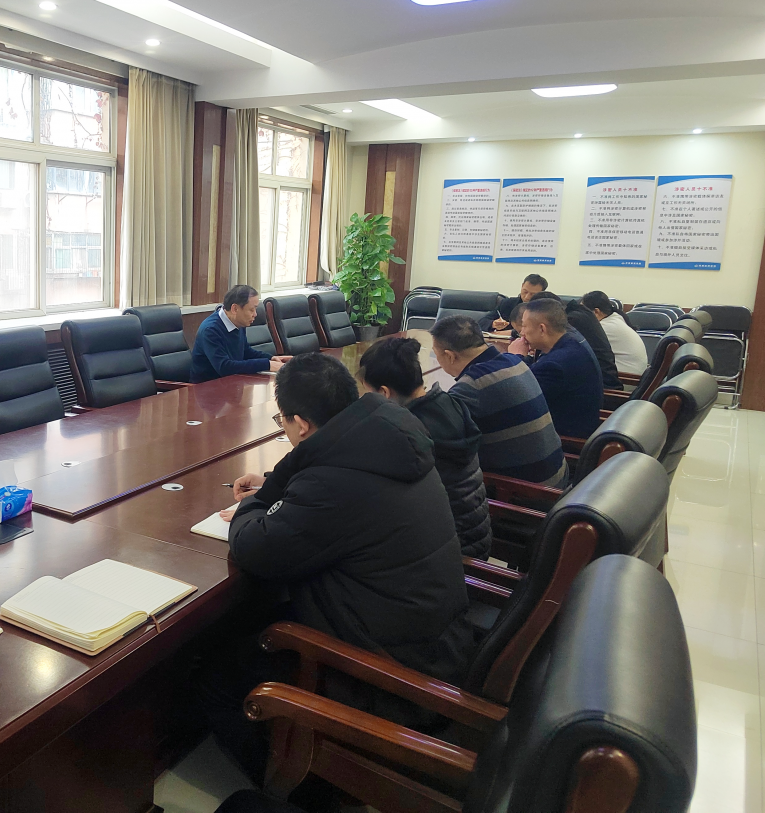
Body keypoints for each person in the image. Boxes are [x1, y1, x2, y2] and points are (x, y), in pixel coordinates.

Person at [205, 354, 472, 781]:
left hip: (389, 675)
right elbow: (335, 486)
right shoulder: (390, 434)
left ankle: (302, 789)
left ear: (301, 424)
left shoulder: (333, 483)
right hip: (437, 642)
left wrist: (253, 505)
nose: (284, 429)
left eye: (282, 421)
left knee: (214, 672)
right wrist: (280, 481)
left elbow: (256, 548)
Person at [357, 337, 492, 559]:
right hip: (474, 535)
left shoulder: (409, 433)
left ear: (384, 393)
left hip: (446, 555)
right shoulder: (449, 403)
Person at [431, 315, 569, 488]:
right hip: (558, 478)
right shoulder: (513, 361)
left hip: (529, 493)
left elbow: (436, 443)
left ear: (450, 356)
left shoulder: (472, 386)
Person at [519, 298, 605, 439]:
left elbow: (519, 395)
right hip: (578, 425)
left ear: (542, 329)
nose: (521, 332)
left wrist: (516, 357)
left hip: (565, 440)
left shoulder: (555, 364)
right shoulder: (571, 340)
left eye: (524, 326)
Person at [191, 284, 292, 382]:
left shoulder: (238, 322)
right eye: (251, 310)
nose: (255, 314)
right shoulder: (210, 330)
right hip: (206, 388)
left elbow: (246, 352)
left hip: (232, 383)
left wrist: (271, 358)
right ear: (235, 309)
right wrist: (267, 364)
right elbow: (224, 367)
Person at [583, 290, 650, 375]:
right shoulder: (616, 318)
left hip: (627, 378)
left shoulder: (605, 327)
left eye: (583, 311)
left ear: (596, 312)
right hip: (634, 374)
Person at [482, 273, 548, 331]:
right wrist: (493, 324)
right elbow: (482, 322)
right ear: (522, 285)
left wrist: (512, 333)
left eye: (532, 294)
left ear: (542, 292)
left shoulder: (545, 308)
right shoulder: (507, 303)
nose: (527, 297)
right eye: (525, 291)